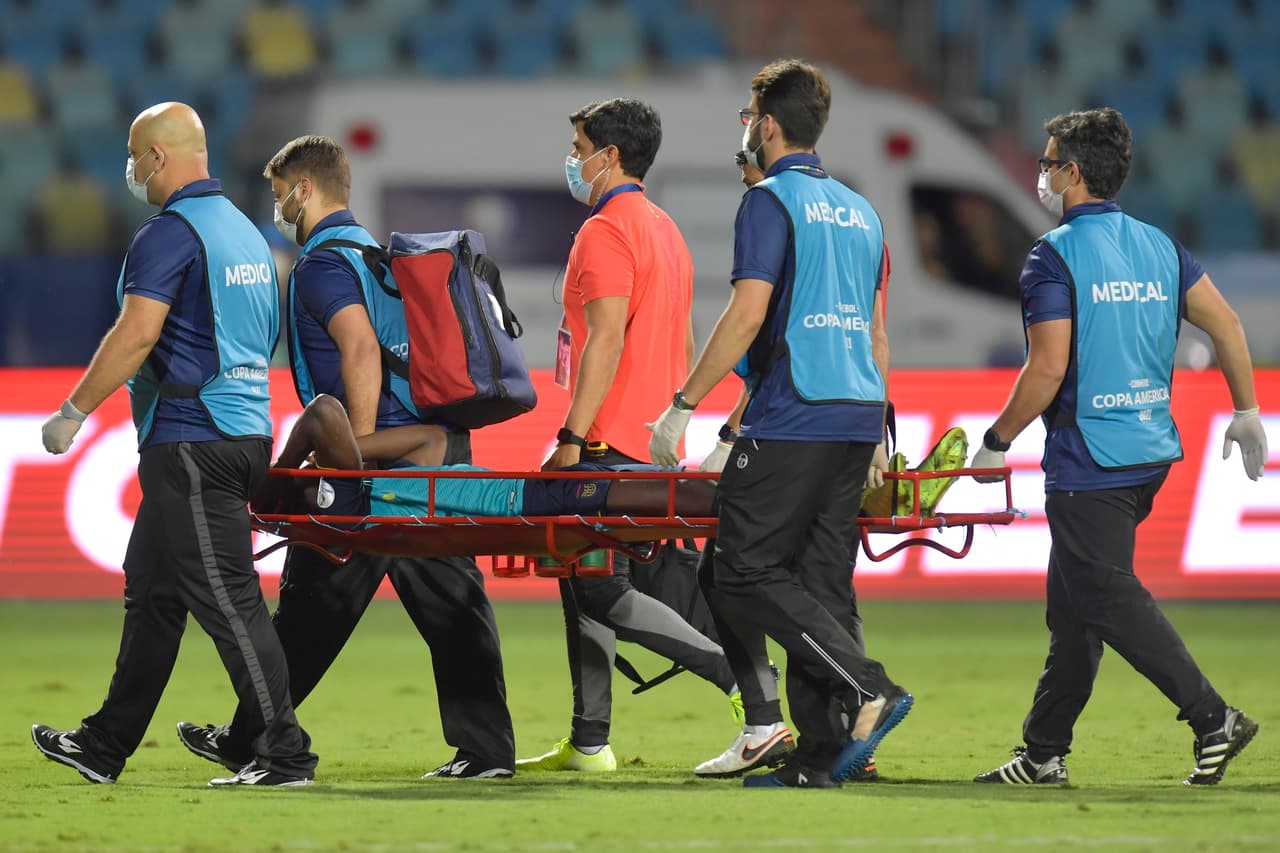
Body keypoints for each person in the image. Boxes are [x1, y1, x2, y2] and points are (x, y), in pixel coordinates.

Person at [175, 135, 515, 780]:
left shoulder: (323, 263)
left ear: (305, 189)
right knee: (449, 601)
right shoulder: (378, 255)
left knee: (312, 604)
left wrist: (351, 464)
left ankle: (261, 745)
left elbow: (358, 349)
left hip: (375, 459)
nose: (278, 209)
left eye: (280, 196)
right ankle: (487, 751)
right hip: (425, 451)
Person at [971, 108, 1267, 787]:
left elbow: (1046, 369)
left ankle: (1212, 716)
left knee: (1102, 595)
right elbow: (1224, 321)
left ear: (1073, 173)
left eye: (1047, 163)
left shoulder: (1054, 256)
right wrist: (1245, 409)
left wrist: (996, 440)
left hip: (1089, 457)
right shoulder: (1161, 247)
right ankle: (1043, 752)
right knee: (1074, 607)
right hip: (1148, 452)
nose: (1041, 174)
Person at [31, 102, 317, 787]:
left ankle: (284, 753)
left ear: (158, 157)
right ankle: (105, 745)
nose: (131, 170)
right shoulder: (249, 236)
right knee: (156, 595)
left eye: (135, 156)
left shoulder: (167, 235)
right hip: (246, 430)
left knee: (228, 599)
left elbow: (136, 334)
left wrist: (74, 411)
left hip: (191, 440)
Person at [649, 59, 912, 789]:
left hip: (796, 411)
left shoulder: (769, 202)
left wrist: (683, 404)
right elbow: (876, 334)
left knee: (737, 567)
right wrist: (881, 430)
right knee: (819, 580)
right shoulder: (864, 212)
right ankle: (826, 753)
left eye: (748, 116)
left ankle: (868, 687)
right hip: (857, 415)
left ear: (767, 123)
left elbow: (749, 313)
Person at [520, 98, 752, 775]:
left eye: (579, 144)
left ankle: (737, 679)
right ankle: (590, 739)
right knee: (584, 574)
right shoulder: (666, 230)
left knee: (598, 586)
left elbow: (606, 338)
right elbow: (681, 339)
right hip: (651, 441)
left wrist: (572, 433)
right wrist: (670, 425)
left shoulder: (604, 231)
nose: (572, 157)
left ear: (609, 155)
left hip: (606, 443)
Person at [253, 394, 720, 521]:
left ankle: (731, 494)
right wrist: (287, 470)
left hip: (529, 490)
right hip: (520, 502)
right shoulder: (352, 502)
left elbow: (431, 438)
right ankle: (733, 501)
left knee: (625, 481)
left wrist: (342, 458)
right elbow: (323, 413)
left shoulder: (386, 486)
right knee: (631, 490)